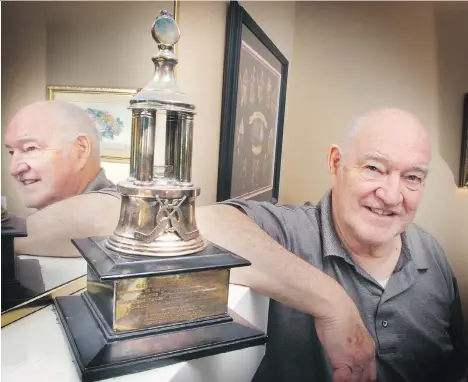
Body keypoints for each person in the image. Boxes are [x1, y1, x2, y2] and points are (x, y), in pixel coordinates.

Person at [196, 108, 468, 382]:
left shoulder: (431, 253)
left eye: (412, 177)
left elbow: (455, 367)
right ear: (336, 163)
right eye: (374, 168)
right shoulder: (291, 233)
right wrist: (334, 305)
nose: (391, 195)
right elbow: (199, 223)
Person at [3, 100, 121, 257]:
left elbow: (105, 214)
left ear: (81, 150)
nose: (14, 169)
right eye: (12, 152)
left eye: (30, 148)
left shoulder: (117, 208)